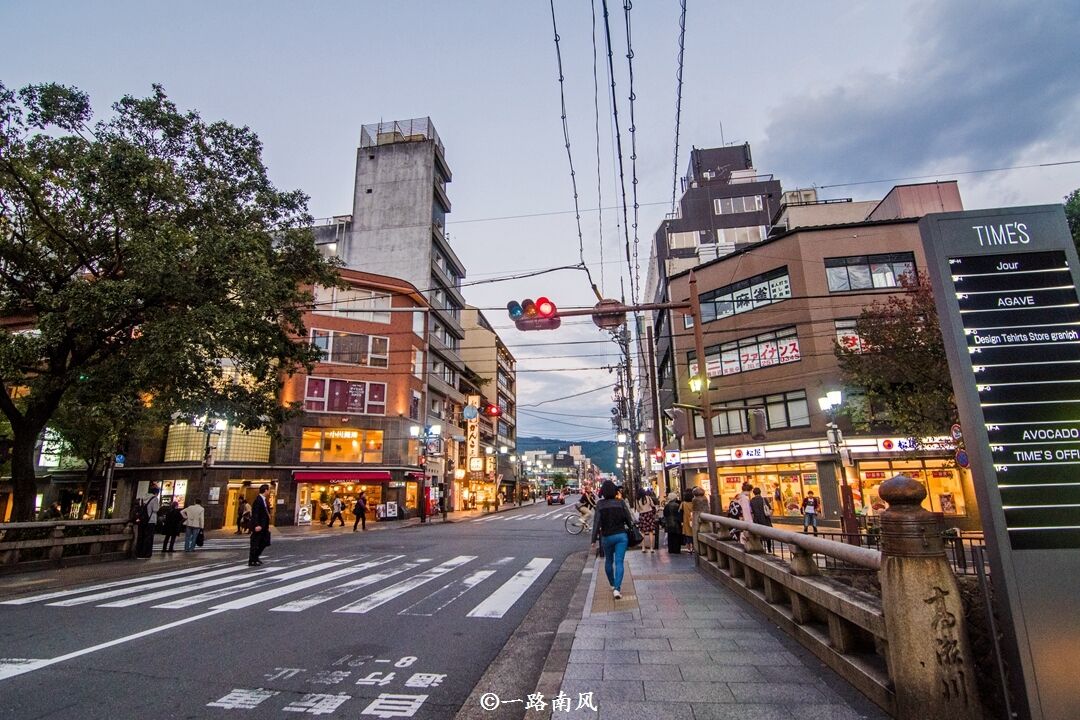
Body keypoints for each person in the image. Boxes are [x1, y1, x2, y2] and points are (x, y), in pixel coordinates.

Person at [589, 480, 636, 599]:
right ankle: (617, 588)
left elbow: (596, 523)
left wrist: (593, 540)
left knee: (608, 561)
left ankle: (612, 584)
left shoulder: (600, 504)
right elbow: (629, 519)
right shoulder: (620, 503)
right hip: (621, 535)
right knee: (619, 562)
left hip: (607, 536)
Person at [248, 484, 271, 566]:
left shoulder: (265, 500)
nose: (269, 491)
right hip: (259, 526)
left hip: (264, 526)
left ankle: (256, 556)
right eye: (268, 490)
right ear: (265, 490)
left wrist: (267, 526)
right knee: (255, 542)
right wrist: (256, 525)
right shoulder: (258, 500)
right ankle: (252, 560)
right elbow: (255, 514)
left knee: (265, 542)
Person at [135, 485, 160, 559]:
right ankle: (146, 553)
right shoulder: (154, 498)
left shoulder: (142, 498)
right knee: (148, 537)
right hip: (150, 520)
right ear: (156, 492)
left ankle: (139, 553)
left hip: (142, 520)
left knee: (141, 536)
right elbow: (155, 509)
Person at [749, 487, 774, 552]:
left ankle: (762, 547)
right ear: (760, 492)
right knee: (768, 534)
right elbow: (769, 508)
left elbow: (751, 512)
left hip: (757, 519)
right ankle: (769, 548)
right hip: (765, 519)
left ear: (753, 493)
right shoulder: (764, 499)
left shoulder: (751, 501)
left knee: (759, 534)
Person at [635, 488, 659, 553]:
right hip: (649, 514)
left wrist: (642, 510)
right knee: (651, 532)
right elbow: (653, 505)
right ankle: (651, 548)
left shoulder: (637, 500)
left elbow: (637, 509)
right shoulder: (648, 498)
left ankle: (643, 547)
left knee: (642, 532)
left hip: (642, 515)